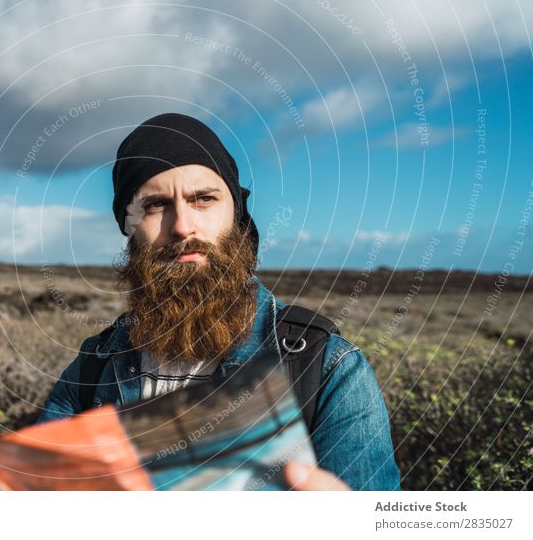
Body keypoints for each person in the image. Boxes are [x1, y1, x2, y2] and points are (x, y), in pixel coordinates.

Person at [36, 113, 401, 491]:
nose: (182, 226)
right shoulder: (93, 369)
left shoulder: (325, 370)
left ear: (236, 215)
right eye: (156, 205)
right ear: (129, 228)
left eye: (204, 199)